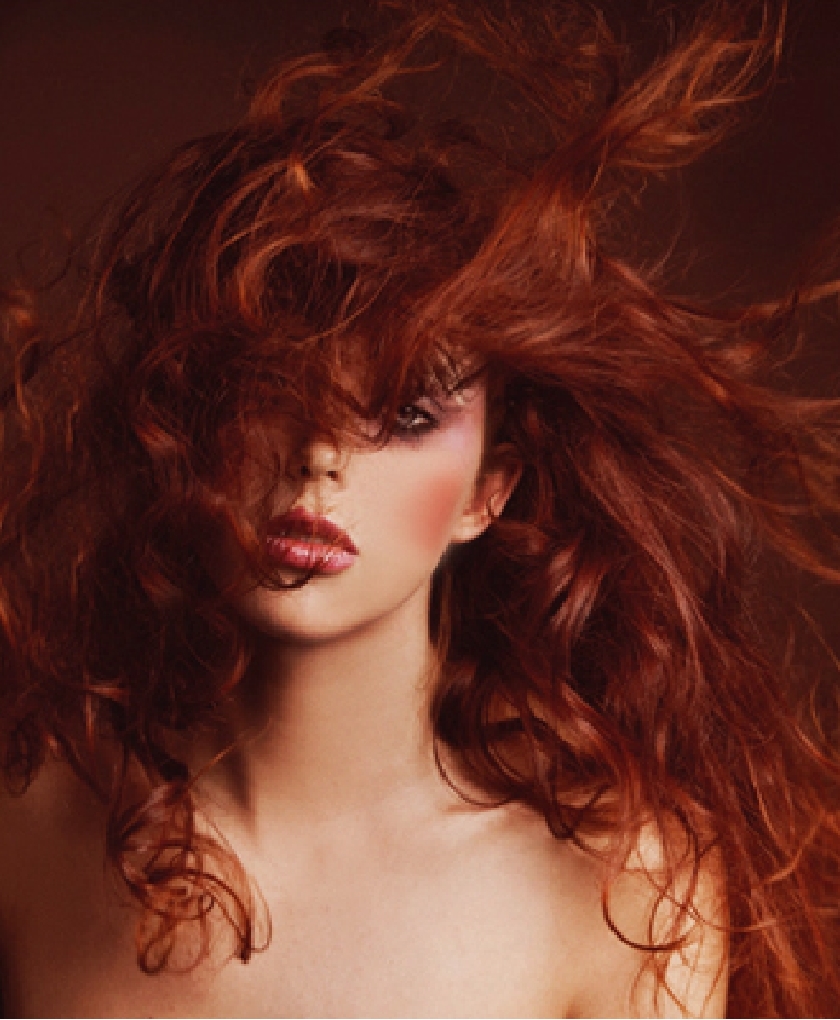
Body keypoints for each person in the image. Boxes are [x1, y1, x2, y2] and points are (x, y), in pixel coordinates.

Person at [1, 0, 839, 1015]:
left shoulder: (615, 884)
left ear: (490, 489)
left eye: (402, 415)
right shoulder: (32, 827)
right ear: (183, 421)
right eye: (269, 389)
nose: (319, 456)